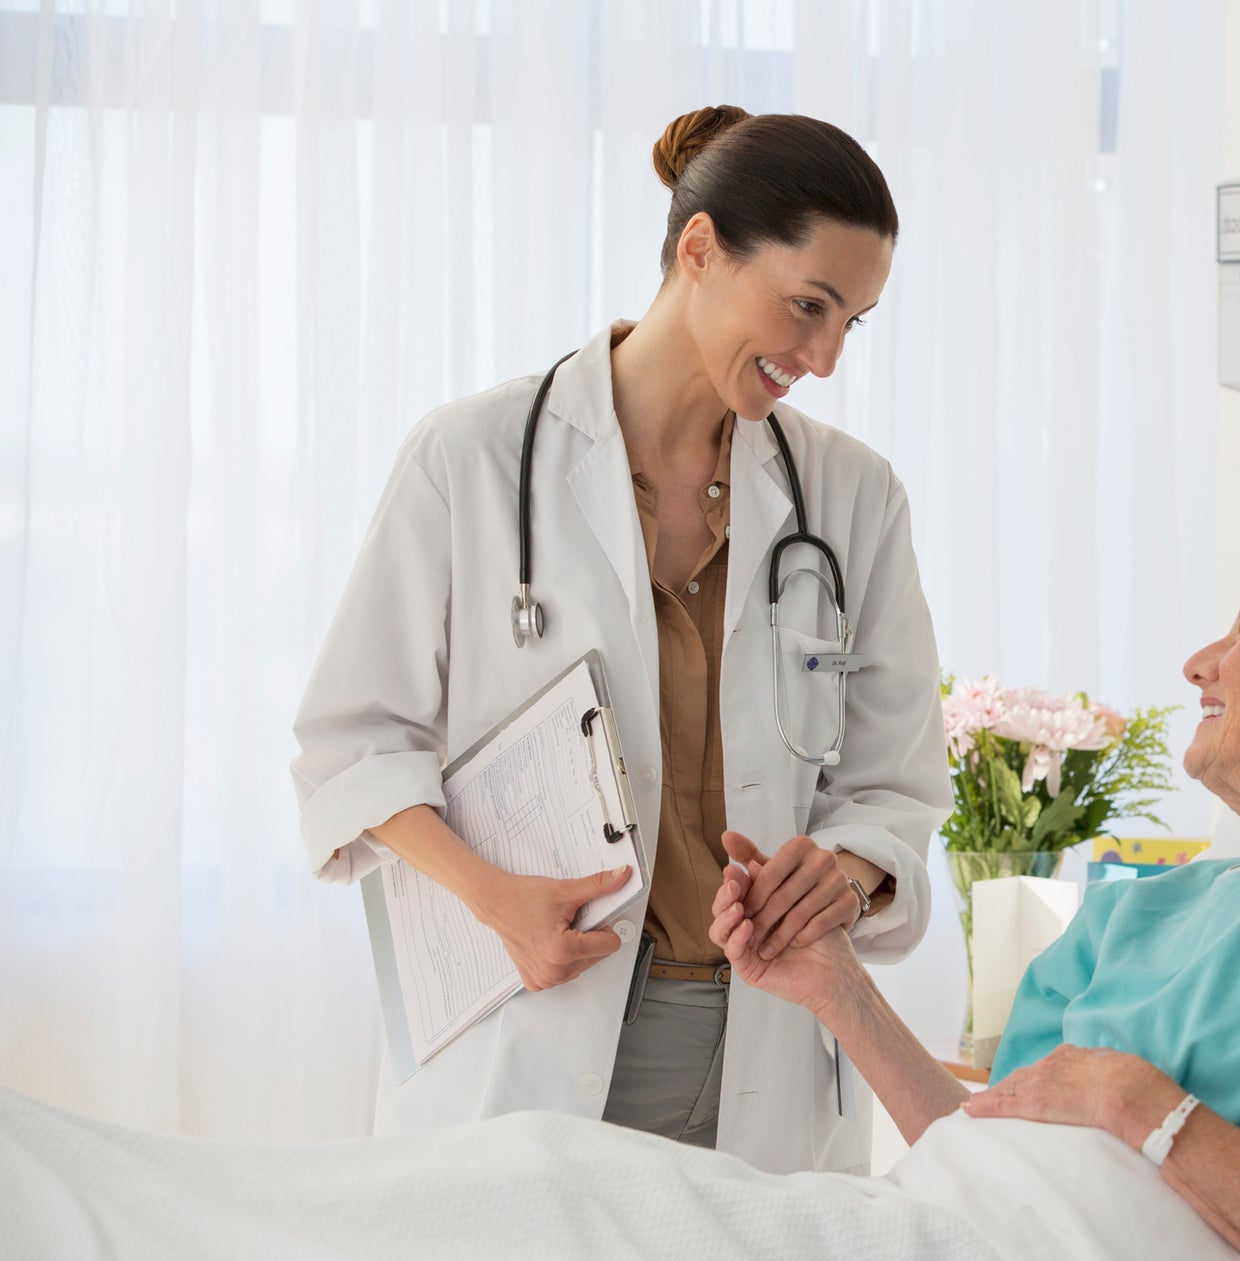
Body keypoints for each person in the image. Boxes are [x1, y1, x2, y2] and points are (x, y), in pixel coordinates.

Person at [291, 106, 948, 1175]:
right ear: (699, 251)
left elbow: (897, 788)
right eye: (806, 307)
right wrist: (492, 897)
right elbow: (354, 745)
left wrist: (848, 872)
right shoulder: (471, 459)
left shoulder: (851, 497)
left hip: (765, 1044)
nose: (823, 357)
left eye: (851, 323)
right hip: (535, 1026)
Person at [712, 523, 1240, 1261]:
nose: (1197, 664)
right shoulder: (1139, 909)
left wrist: (1137, 1099)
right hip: (946, 1242)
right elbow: (986, 1145)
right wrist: (836, 986)